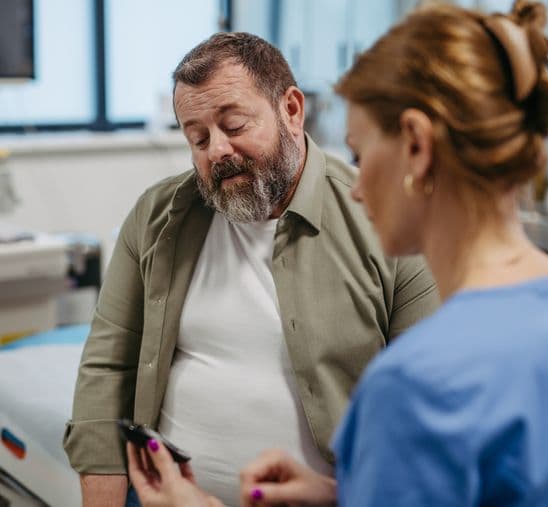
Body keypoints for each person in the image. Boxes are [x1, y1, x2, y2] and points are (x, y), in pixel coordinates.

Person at [125, 2, 548, 506]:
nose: (358, 188)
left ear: (416, 146)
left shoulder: (412, 387)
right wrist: (340, 495)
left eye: (361, 156)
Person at [63, 32, 439, 506]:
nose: (216, 150)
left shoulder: (385, 223)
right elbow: (108, 366)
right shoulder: (159, 216)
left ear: (292, 110)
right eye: (197, 138)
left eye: (234, 124)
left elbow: (427, 418)